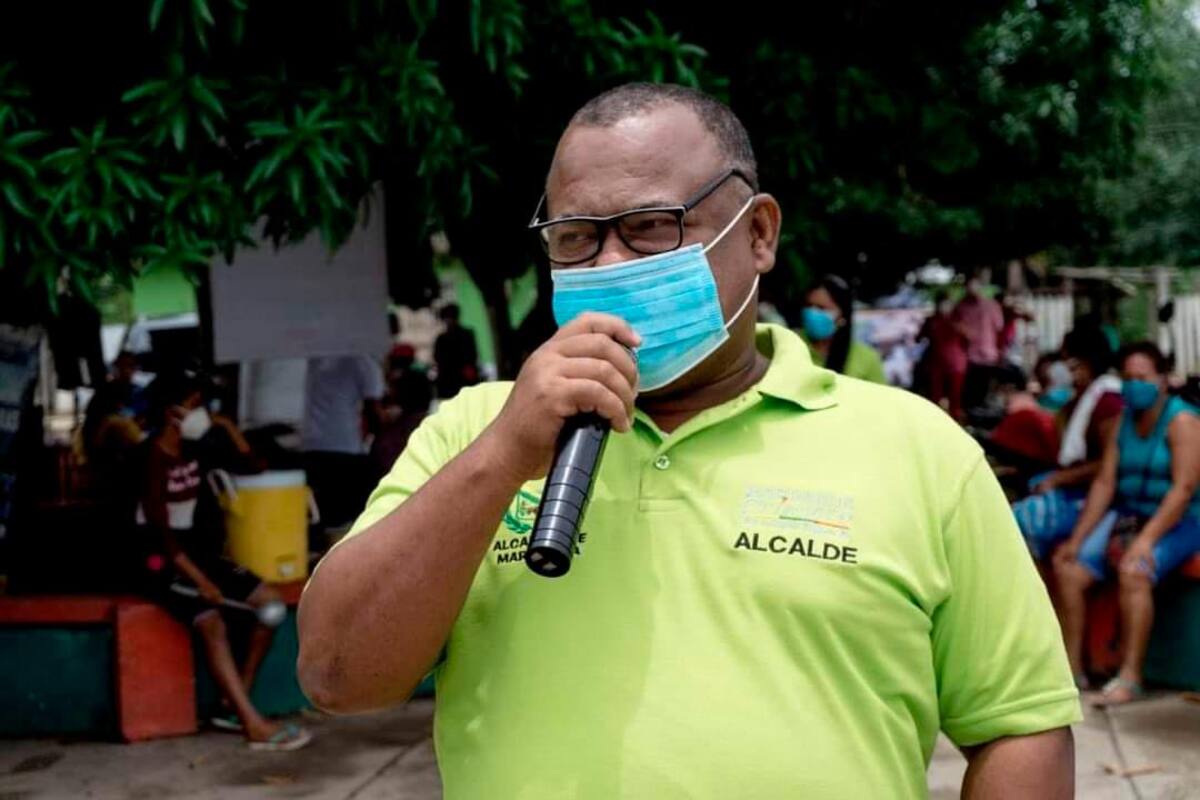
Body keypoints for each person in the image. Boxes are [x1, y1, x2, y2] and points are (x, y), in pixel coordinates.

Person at [299, 83, 1078, 798]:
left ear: (760, 234)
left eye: (648, 228)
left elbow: (1020, 724)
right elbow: (337, 676)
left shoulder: (918, 450)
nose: (608, 263)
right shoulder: (474, 435)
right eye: (576, 237)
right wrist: (505, 457)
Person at [137, 373, 310, 750]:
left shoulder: (198, 447)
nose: (204, 412)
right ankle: (254, 725)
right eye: (196, 404)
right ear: (172, 412)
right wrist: (202, 583)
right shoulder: (151, 458)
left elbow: (254, 466)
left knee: (270, 606)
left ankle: (234, 702)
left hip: (200, 556)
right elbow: (163, 538)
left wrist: (228, 427)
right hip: (160, 563)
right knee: (211, 622)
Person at [1052, 342, 1200, 702]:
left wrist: (1146, 541)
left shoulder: (1182, 422)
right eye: (1128, 378)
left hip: (1180, 520)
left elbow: (1182, 490)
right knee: (1067, 567)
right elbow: (1104, 483)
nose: (1135, 385)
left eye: (1143, 378)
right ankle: (1072, 671)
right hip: (1129, 515)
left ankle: (1130, 676)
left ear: (1163, 379)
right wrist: (1078, 538)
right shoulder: (1120, 424)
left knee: (1134, 570)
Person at [1012, 326, 1123, 560]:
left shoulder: (1108, 402)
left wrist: (1059, 479)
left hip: (1094, 497)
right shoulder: (1080, 400)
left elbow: (1108, 462)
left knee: (1020, 520)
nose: (1061, 368)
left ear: (1083, 361)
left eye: (1065, 359)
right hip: (1074, 489)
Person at [302, 354, 385, 531]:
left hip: (311, 446)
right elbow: (374, 413)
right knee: (351, 522)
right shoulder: (363, 361)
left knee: (322, 517)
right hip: (347, 449)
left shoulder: (314, 359)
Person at [797, 275, 886, 384]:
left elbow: (879, 398)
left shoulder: (866, 358)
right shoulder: (788, 345)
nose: (812, 313)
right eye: (809, 305)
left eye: (821, 308)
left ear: (842, 316)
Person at [953, 276, 1005, 413]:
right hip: (968, 357)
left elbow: (1000, 330)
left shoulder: (992, 305)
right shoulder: (960, 307)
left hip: (987, 355)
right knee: (970, 392)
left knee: (985, 390)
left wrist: (1000, 352)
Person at [918, 292, 970, 420]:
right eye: (942, 303)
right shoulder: (931, 320)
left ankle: (955, 422)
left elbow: (968, 340)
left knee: (955, 398)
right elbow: (919, 338)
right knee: (935, 396)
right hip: (936, 364)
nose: (944, 306)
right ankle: (935, 422)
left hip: (955, 364)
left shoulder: (958, 320)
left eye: (947, 303)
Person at [433, 304, 480, 399]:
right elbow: (438, 358)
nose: (449, 321)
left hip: (463, 379)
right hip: (448, 380)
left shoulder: (466, 335)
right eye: (447, 318)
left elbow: (472, 356)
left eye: (451, 317)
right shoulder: (441, 339)